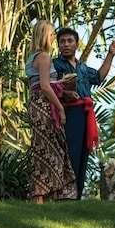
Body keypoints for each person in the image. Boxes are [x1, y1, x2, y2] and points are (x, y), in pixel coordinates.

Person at [53, 27, 115, 199]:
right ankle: (64, 195)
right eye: (62, 41)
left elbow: (98, 77)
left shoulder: (82, 67)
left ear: (76, 44)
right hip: (67, 113)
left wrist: (111, 54)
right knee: (70, 152)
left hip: (85, 113)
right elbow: (50, 86)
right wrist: (65, 94)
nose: (66, 44)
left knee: (84, 153)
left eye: (70, 41)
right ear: (58, 45)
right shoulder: (55, 65)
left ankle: (77, 194)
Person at [25, 21, 77, 204]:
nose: (55, 38)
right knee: (53, 150)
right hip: (46, 106)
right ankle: (40, 195)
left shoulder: (31, 58)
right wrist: (61, 108)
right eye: (53, 34)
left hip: (34, 105)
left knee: (44, 149)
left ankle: (49, 195)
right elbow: (46, 87)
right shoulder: (45, 57)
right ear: (46, 36)